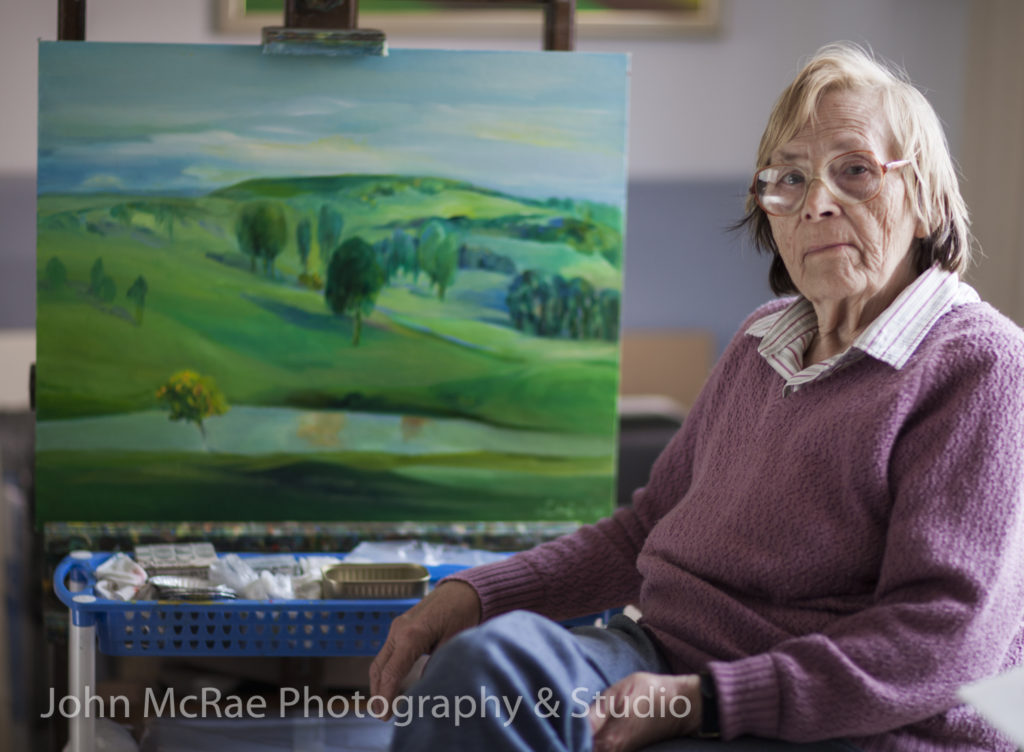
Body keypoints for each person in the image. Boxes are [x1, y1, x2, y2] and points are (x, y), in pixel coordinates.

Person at [369, 43, 1024, 752]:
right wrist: (473, 594)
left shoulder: (982, 364)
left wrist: (701, 702)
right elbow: (646, 529)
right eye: (789, 180)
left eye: (855, 171)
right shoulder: (760, 342)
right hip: (662, 655)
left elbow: (941, 640)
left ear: (924, 201)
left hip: (834, 714)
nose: (817, 203)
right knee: (485, 668)